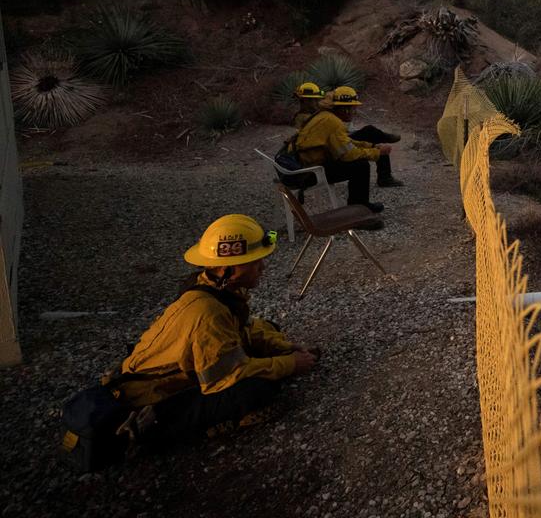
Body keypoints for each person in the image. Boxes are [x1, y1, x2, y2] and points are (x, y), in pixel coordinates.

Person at [113, 214, 318, 445]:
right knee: (258, 389)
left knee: (269, 330)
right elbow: (226, 376)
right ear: (227, 269)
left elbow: (242, 329)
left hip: (189, 368)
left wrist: (284, 347)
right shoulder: (208, 313)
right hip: (152, 395)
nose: (262, 267)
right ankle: (163, 429)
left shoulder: (214, 287)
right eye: (254, 262)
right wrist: (290, 364)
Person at [294, 86, 399, 212]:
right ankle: (358, 208)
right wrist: (377, 152)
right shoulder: (333, 122)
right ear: (345, 109)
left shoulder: (327, 117)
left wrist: (371, 146)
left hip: (306, 166)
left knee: (360, 161)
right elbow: (348, 154)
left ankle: (359, 204)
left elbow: (346, 142)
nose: (355, 112)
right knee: (360, 166)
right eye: (353, 108)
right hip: (308, 173)